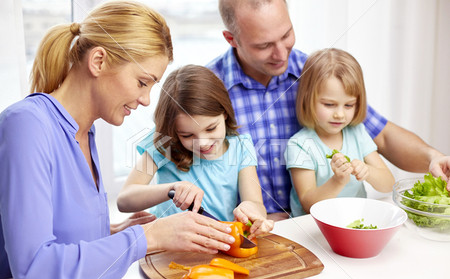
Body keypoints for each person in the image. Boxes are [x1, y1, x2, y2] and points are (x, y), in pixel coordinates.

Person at [0, 1, 236, 279]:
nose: (147, 100)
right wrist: (146, 238)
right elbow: (35, 271)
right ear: (98, 61)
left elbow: (61, 233)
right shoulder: (27, 125)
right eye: (142, 82)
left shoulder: (85, 132)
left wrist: (114, 231)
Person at [207, 0, 450, 221]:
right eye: (264, 45)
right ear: (232, 39)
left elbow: (382, 134)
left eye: (287, 35)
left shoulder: (316, 74)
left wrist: (432, 158)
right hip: (250, 228)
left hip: (321, 225)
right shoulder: (208, 89)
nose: (281, 54)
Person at [117, 64, 274, 237]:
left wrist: (251, 208)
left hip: (218, 242)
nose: (203, 143)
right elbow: (124, 200)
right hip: (168, 244)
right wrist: (172, 189)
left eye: (211, 129)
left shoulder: (241, 147)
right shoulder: (163, 143)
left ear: (225, 114)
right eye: (187, 135)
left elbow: (256, 204)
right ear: (173, 131)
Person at [284, 48, 395, 216]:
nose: (340, 114)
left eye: (349, 105)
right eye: (329, 104)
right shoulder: (299, 145)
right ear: (308, 100)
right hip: (312, 228)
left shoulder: (357, 132)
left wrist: (368, 171)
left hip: (355, 222)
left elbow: (388, 184)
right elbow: (308, 203)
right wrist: (337, 181)